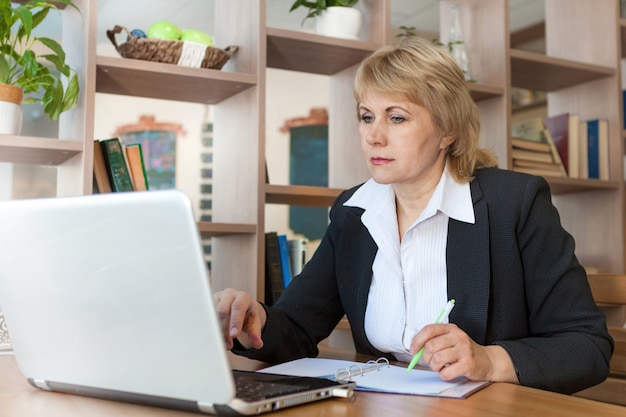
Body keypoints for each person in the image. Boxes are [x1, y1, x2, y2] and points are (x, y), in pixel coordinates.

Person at [214, 36, 613, 395]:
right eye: (367, 116)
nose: (374, 135)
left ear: (447, 132)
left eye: (397, 117)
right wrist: (255, 321)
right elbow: (298, 330)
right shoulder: (354, 212)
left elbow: (587, 347)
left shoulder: (515, 202)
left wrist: (489, 360)